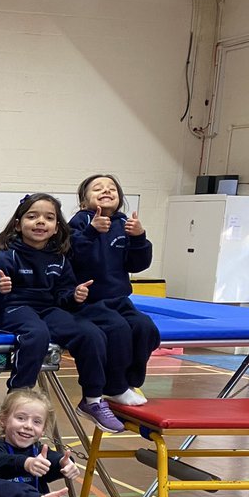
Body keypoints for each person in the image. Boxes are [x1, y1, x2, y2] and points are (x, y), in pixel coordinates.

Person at [0, 193, 129, 434]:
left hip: (47, 309)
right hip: (11, 308)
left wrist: (74, 296)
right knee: (36, 333)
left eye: (49, 218)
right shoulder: (6, 256)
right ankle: (19, 397)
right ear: (18, 224)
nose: (40, 222)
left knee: (90, 332)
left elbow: (62, 295)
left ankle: (92, 399)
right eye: (32, 216)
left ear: (57, 227)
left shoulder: (58, 258)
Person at [68, 174, 160, 406]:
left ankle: (130, 382)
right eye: (97, 189)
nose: (106, 191)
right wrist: (91, 231)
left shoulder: (124, 224)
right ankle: (116, 386)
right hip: (88, 301)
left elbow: (137, 264)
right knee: (117, 329)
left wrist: (139, 237)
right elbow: (72, 256)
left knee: (145, 327)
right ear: (83, 201)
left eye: (112, 189)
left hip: (118, 299)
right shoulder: (79, 223)